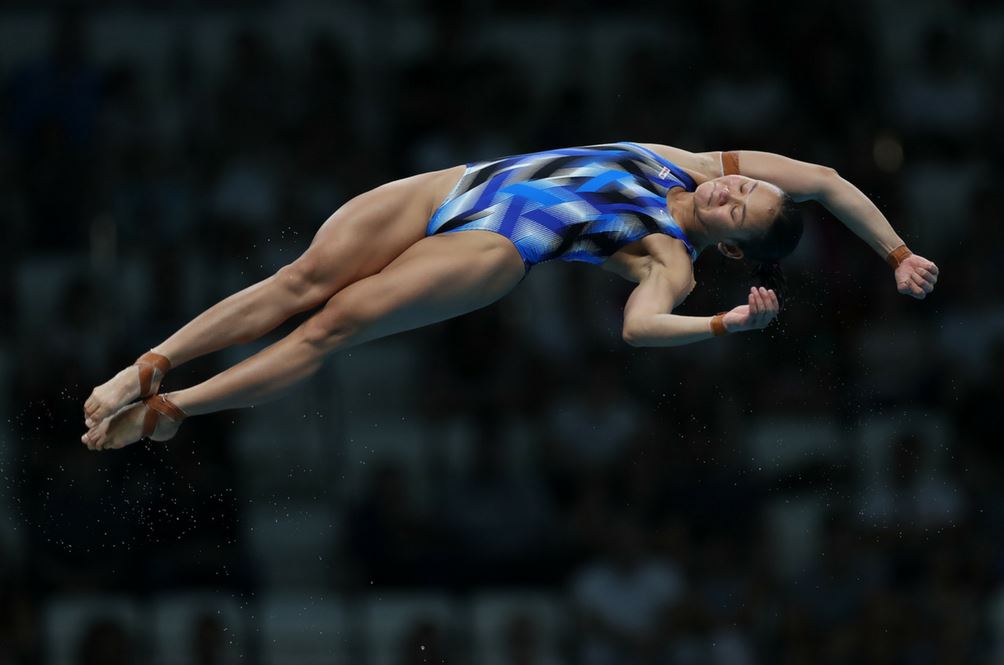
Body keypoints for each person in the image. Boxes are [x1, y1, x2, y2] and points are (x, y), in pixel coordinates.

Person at [81, 142, 939, 451]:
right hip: (455, 185)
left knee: (330, 326)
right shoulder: (685, 160)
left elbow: (641, 331)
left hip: (494, 248)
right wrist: (895, 250)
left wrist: (724, 321)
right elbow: (824, 180)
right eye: (746, 185)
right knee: (298, 280)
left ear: (735, 243)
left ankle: (176, 410)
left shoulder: (667, 255)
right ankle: (141, 370)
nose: (735, 193)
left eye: (743, 211)